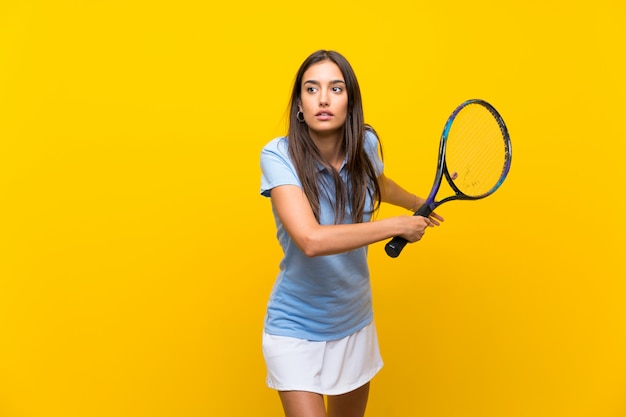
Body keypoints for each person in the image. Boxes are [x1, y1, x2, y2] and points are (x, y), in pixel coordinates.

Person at [259, 50, 443, 417]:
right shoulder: (278, 156)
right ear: (300, 104)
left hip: (354, 323)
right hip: (294, 329)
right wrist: (396, 226)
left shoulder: (365, 146)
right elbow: (311, 240)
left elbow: (379, 184)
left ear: (350, 101)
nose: (323, 98)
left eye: (335, 88)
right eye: (312, 89)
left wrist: (416, 203)